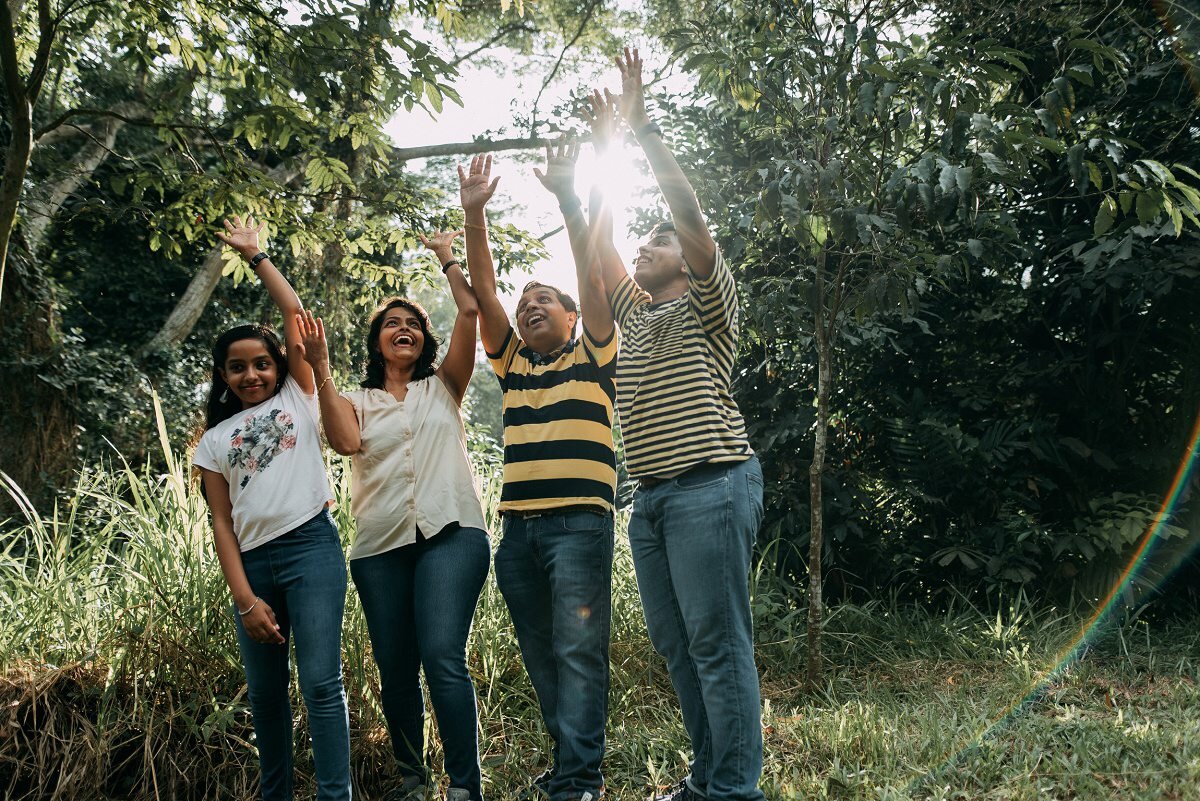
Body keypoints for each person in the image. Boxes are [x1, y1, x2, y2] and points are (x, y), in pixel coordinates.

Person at [587, 50, 766, 801]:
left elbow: (689, 216)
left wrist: (644, 126)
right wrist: (605, 150)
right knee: (680, 649)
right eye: (645, 242)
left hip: (712, 485)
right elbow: (597, 245)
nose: (645, 247)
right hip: (652, 500)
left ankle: (734, 790)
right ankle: (708, 781)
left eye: (657, 243)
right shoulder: (633, 310)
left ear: (688, 261)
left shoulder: (708, 301)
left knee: (718, 645)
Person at [296, 224, 490, 801]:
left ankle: (463, 787)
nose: (402, 329)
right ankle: (412, 781)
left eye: (412, 324)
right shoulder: (354, 401)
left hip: (452, 532)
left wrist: (449, 259)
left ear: (423, 340)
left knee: (441, 654)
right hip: (380, 547)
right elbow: (345, 443)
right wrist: (322, 366)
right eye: (391, 324)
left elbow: (470, 312)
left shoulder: (444, 386)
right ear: (377, 341)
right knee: (397, 668)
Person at [458, 148, 618, 801]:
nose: (529, 306)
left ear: (575, 315)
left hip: (579, 526)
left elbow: (591, 272)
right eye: (526, 302)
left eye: (545, 298)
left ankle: (580, 778)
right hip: (517, 535)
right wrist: (475, 216)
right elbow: (486, 291)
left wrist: (568, 199)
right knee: (543, 652)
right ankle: (571, 764)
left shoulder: (597, 349)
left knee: (579, 652)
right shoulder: (513, 365)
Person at [193, 215, 352, 801]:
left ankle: (337, 796)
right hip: (253, 569)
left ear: (279, 367)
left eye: (261, 363)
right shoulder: (212, 442)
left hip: (312, 549)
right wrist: (246, 599)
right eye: (238, 367)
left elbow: (294, 317)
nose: (252, 374)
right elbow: (220, 522)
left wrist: (257, 256)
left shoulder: (298, 394)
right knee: (265, 696)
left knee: (319, 683)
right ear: (224, 376)